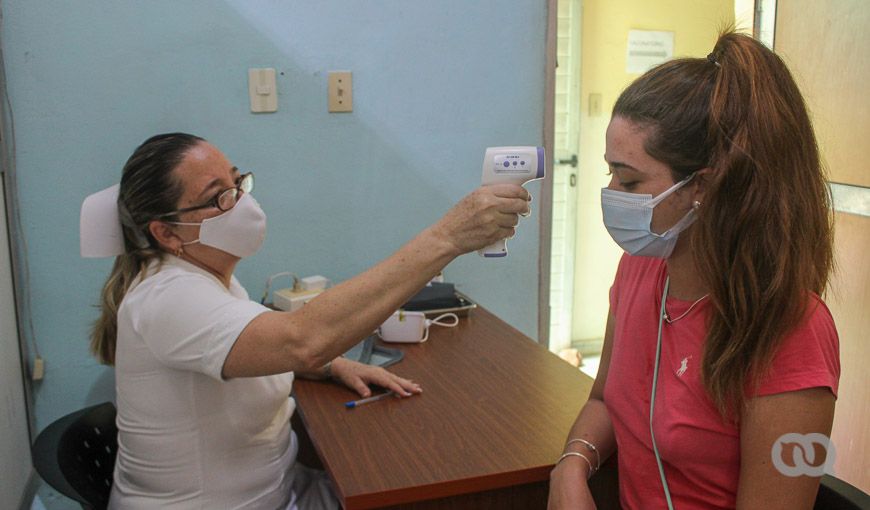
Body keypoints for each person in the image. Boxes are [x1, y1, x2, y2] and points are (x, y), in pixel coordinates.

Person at [84, 132, 531, 509]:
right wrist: (447, 237)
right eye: (218, 198)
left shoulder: (207, 279)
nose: (239, 202)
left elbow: (263, 348)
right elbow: (303, 339)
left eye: (237, 182)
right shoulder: (169, 298)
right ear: (166, 233)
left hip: (279, 491)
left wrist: (334, 365)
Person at [548, 31, 839, 509]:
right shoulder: (639, 271)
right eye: (611, 174)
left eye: (630, 179)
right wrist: (572, 465)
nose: (613, 194)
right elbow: (604, 401)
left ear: (702, 186)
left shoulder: (793, 331)